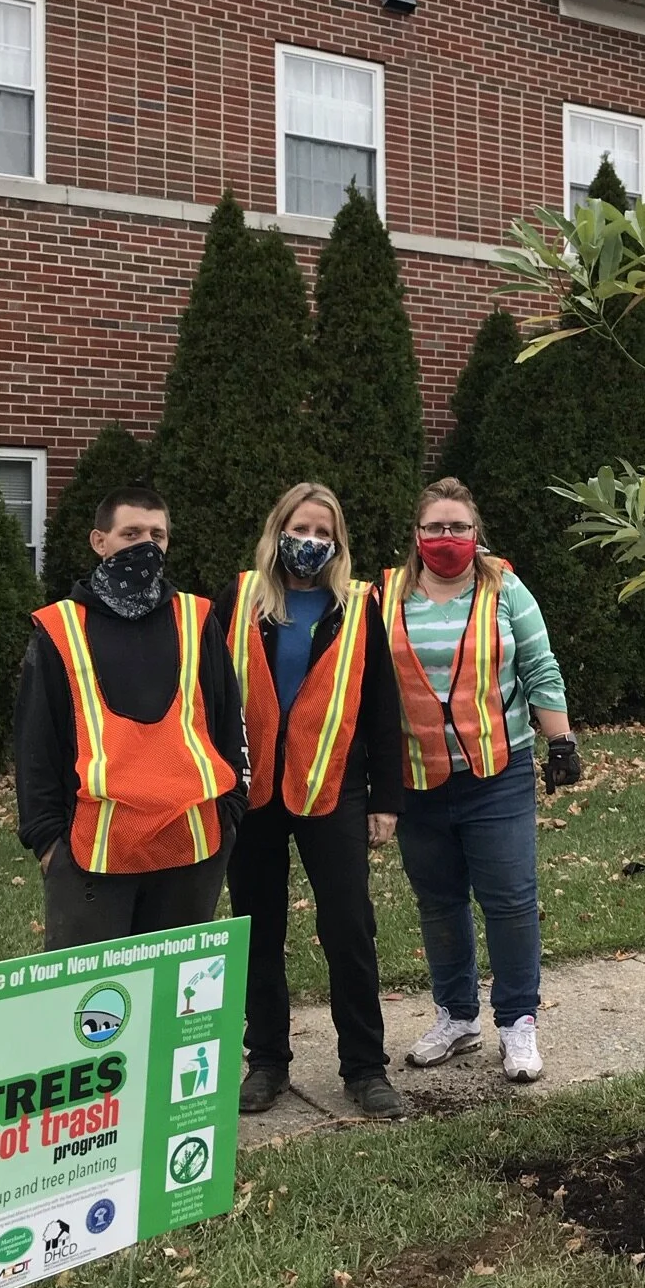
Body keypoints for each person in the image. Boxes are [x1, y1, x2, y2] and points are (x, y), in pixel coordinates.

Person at [217, 483, 407, 1122]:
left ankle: (365, 1067)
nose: (313, 543)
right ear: (279, 530)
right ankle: (266, 1061)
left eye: (325, 534)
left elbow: (383, 707)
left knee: (348, 926)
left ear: (338, 543)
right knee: (258, 926)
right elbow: (211, 696)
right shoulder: (241, 599)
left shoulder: (357, 607)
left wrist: (387, 798)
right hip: (254, 790)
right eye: (303, 528)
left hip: (335, 786)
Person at [384, 478, 581, 1083]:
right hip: (417, 777)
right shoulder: (384, 597)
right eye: (436, 528)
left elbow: (539, 665)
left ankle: (517, 1022)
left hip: (496, 771)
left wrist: (561, 740)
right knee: (439, 903)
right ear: (416, 536)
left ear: (477, 534)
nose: (447, 538)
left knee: (511, 901)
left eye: (459, 528)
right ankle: (456, 1015)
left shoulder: (504, 587)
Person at [15, 487, 247, 950]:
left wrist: (231, 810)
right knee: (90, 1010)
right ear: (99, 542)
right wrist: (47, 844)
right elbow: (34, 743)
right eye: (131, 533)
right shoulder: (60, 627)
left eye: (157, 534)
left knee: (174, 1013)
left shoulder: (197, 618)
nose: (146, 545)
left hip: (193, 847)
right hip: (92, 856)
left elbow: (228, 720)